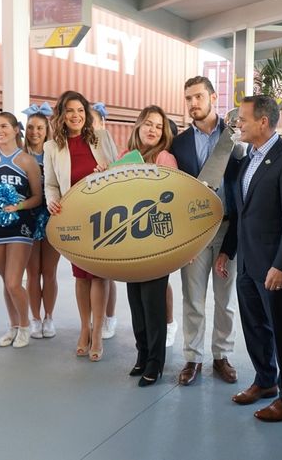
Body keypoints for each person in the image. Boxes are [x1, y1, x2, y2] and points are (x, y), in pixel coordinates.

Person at [221, 95, 282, 422]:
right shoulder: (247, 159)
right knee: (255, 327)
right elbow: (242, 214)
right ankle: (265, 381)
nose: (237, 124)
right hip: (247, 263)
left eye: (242, 119)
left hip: (274, 267)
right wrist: (228, 252)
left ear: (263, 121)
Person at [172, 76, 242, 386]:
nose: (193, 104)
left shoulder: (235, 136)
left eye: (198, 96)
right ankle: (192, 357)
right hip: (195, 230)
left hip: (229, 227)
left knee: (225, 299)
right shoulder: (180, 142)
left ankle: (221, 356)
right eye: (188, 98)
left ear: (213, 97)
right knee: (193, 298)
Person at [44, 91, 116, 361]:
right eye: (71, 111)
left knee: (98, 274)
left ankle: (97, 332)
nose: (76, 116)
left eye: (81, 111)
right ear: (61, 116)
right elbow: (51, 183)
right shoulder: (52, 148)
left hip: (103, 215)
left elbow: (119, 173)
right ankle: (83, 329)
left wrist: (105, 171)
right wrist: (52, 201)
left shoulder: (101, 138)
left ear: (87, 115)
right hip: (74, 217)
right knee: (80, 275)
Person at [118, 105, 178, 386]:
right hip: (130, 242)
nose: (153, 130)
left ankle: (155, 362)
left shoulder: (165, 158)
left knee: (153, 305)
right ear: (138, 126)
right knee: (136, 304)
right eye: (148, 124)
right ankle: (141, 355)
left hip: (155, 241)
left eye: (158, 125)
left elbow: (173, 200)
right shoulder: (124, 158)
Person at [0, 112, 42, 349]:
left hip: (20, 225)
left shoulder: (27, 161)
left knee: (14, 281)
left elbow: (37, 197)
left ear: (16, 129)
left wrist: (18, 206)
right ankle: (13, 326)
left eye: (4, 126)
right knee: (6, 281)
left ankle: (25, 326)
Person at [22, 103, 60, 340]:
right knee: (32, 272)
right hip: (28, 217)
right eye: (30, 127)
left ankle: (49, 317)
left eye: (39, 127)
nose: (34, 132)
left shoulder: (55, 154)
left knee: (50, 271)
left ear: (47, 130)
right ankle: (34, 318)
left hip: (52, 216)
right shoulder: (19, 155)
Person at [90, 101, 121, 340]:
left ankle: (108, 318)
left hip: (107, 211)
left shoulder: (104, 140)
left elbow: (115, 171)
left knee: (105, 273)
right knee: (90, 273)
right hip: (87, 212)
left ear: (101, 122)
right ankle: (97, 318)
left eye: (92, 120)